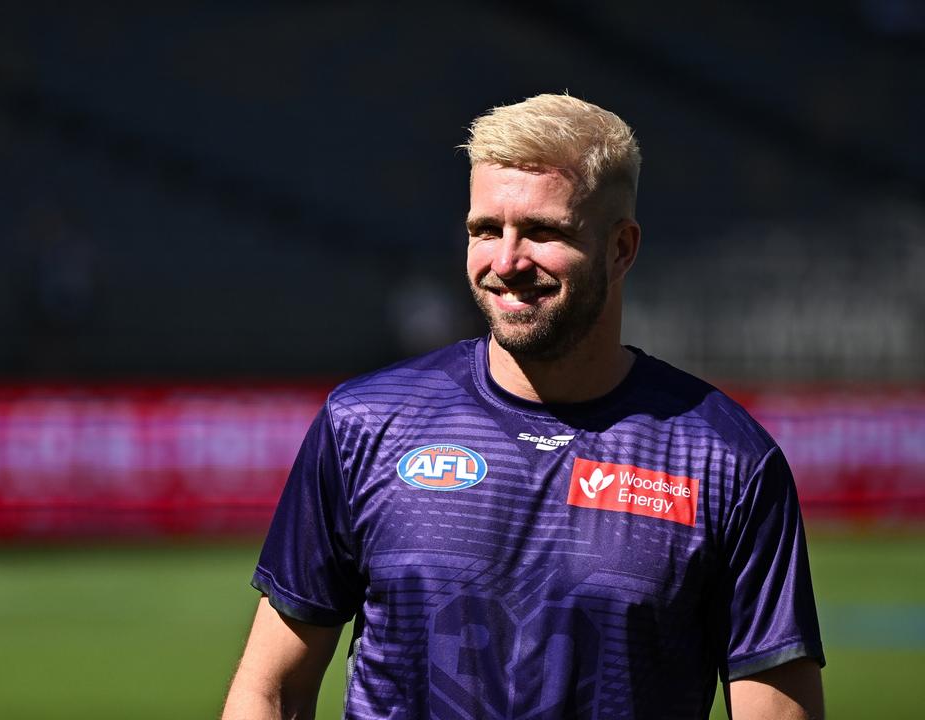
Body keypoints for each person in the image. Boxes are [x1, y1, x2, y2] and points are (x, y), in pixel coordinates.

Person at [222, 94, 825, 720]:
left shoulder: (726, 460)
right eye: (485, 230)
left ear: (621, 248)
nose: (505, 262)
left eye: (543, 231)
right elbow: (271, 692)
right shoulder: (365, 424)